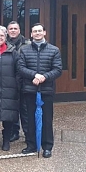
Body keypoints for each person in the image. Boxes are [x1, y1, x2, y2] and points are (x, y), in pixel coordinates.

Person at [18, 23, 62, 158]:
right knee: (30, 119)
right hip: (30, 90)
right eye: (34, 31)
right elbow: (20, 68)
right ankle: (31, 145)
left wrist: (44, 77)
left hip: (46, 90)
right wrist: (34, 75)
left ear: (44, 32)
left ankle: (47, 146)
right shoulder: (24, 50)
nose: (37, 33)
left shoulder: (54, 50)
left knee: (46, 120)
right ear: (31, 34)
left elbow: (57, 69)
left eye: (39, 31)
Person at [7, 20, 30, 143]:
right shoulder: (3, 43)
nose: (13, 31)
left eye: (15, 29)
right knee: (12, 109)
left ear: (19, 30)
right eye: (11, 29)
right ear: (7, 31)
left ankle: (28, 134)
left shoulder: (28, 44)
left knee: (25, 110)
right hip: (9, 82)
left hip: (25, 82)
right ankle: (14, 132)